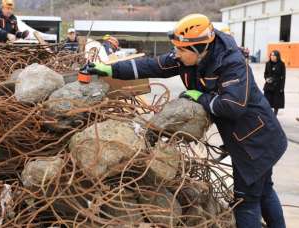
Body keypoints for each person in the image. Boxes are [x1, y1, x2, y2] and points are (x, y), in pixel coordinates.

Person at [88, 14, 287, 228]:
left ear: (201, 49)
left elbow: (233, 105)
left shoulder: (231, 63)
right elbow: (151, 66)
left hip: (256, 141)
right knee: (264, 191)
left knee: (246, 201)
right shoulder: (188, 56)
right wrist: (111, 69)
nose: (176, 54)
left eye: (181, 50)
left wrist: (201, 97)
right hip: (252, 138)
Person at [264, 50, 286, 115]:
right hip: (269, 85)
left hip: (277, 86)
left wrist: (282, 88)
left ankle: (275, 115)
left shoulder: (281, 64)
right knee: (267, 101)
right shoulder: (268, 63)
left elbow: (283, 76)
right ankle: (269, 115)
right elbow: (265, 73)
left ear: (277, 56)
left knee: (276, 102)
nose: (272, 56)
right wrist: (266, 79)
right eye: (271, 55)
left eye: (273, 55)